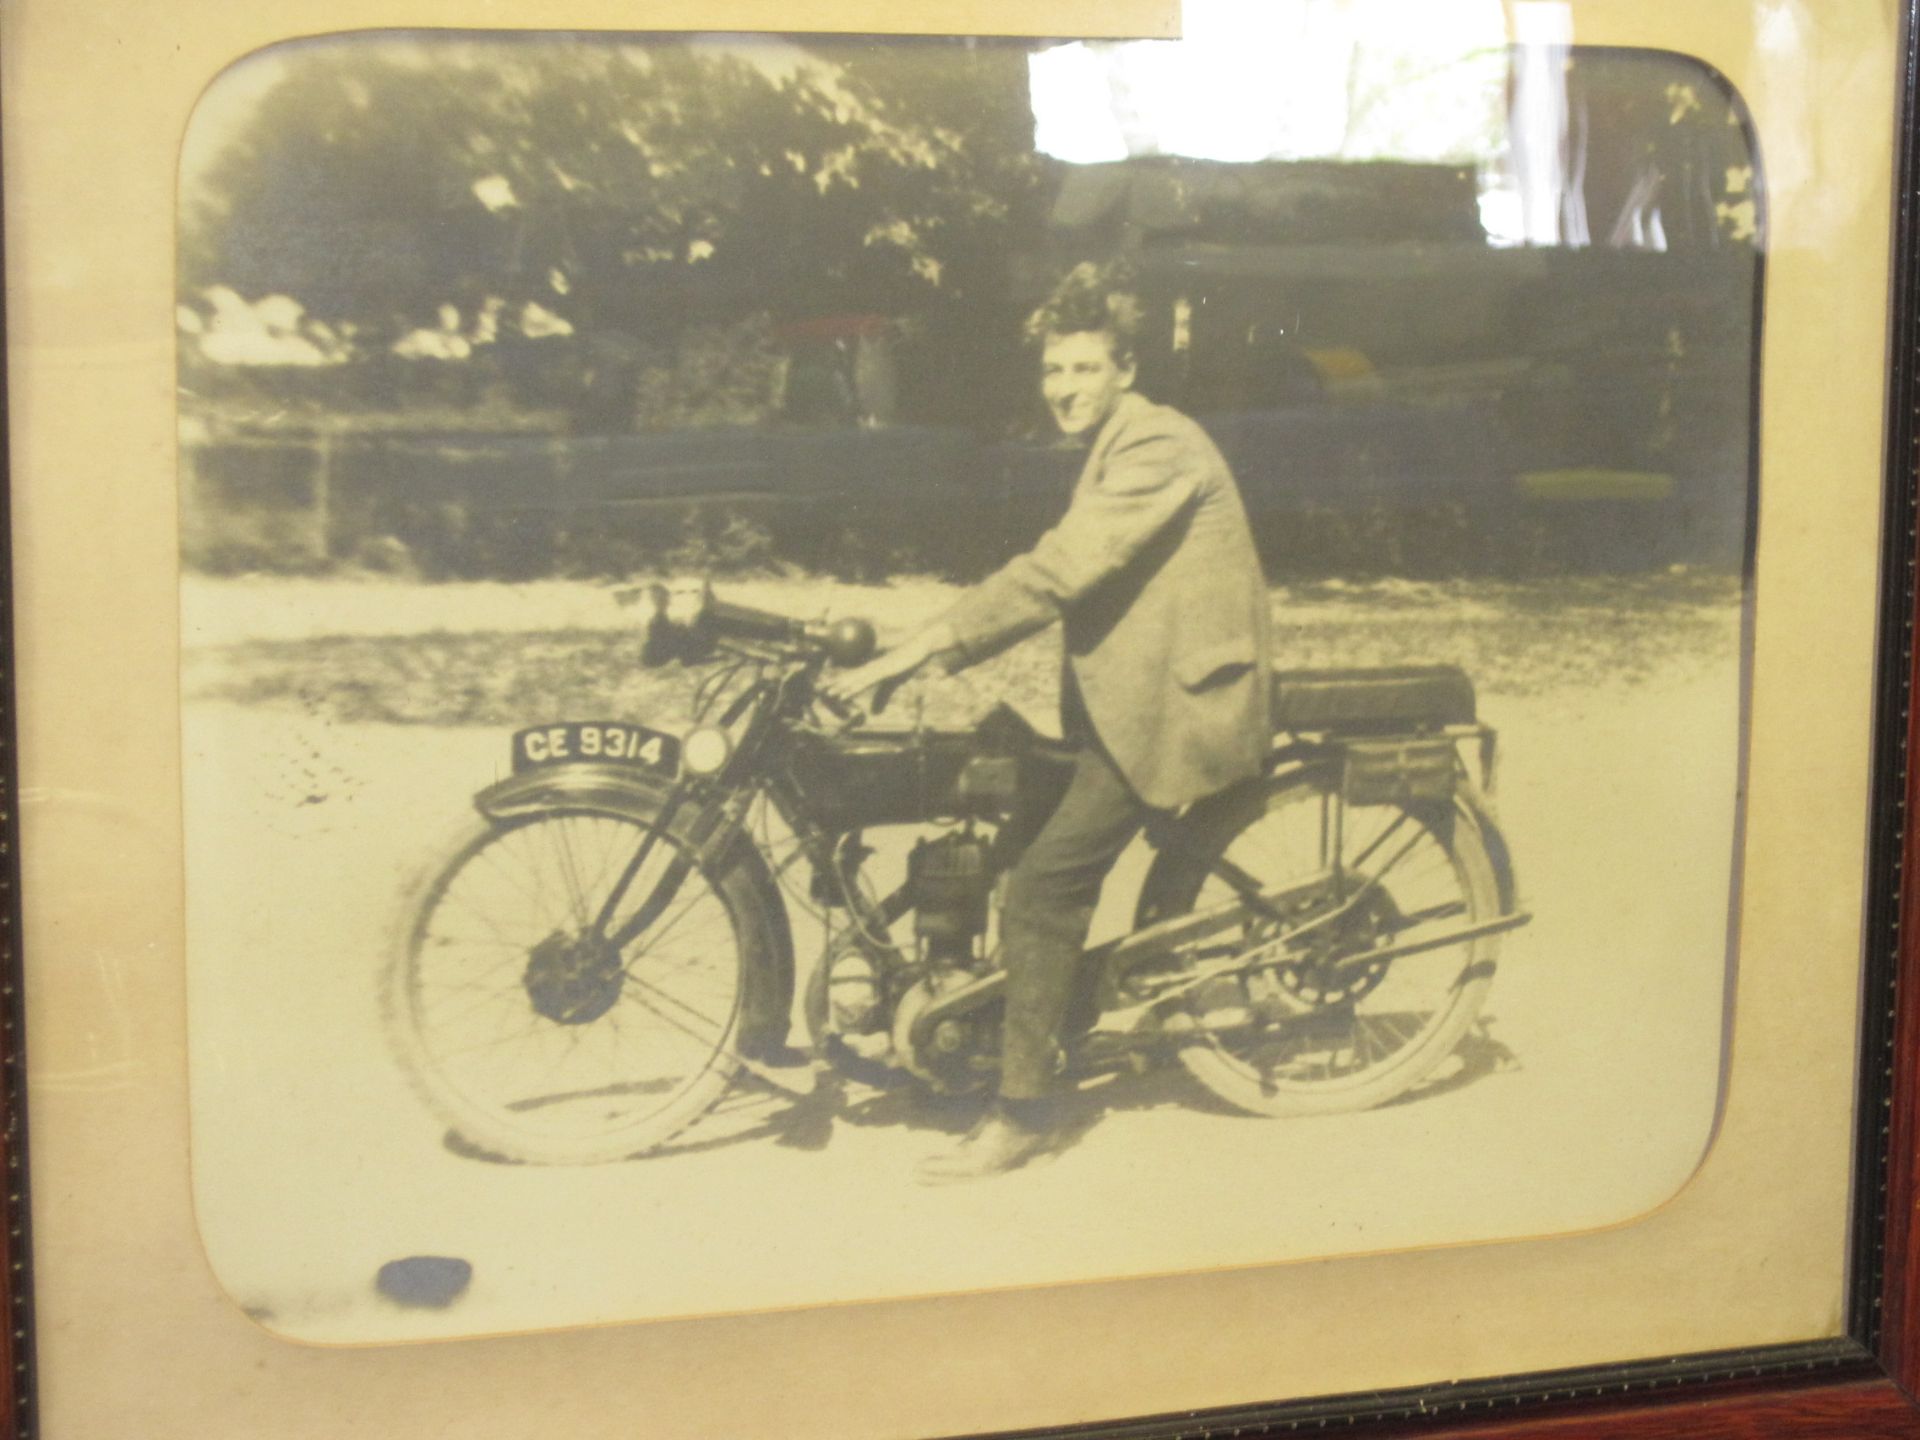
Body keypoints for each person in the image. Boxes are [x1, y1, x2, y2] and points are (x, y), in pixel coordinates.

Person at [822, 262, 1273, 1183]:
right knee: (1000, 807)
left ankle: (1024, 1112)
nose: (1065, 388)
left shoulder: (1155, 447)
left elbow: (1058, 570)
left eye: (1083, 369)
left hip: (1169, 709)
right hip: (1122, 697)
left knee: (1039, 890)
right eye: (1054, 372)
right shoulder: (1116, 442)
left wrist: (916, 651)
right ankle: (1013, 1023)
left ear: (1124, 370)